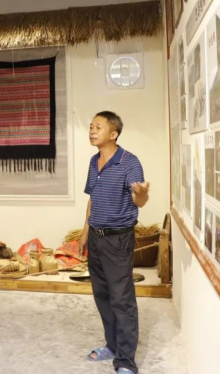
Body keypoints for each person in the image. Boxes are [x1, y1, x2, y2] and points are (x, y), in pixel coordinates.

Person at [79, 111, 150, 374]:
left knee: (122, 299)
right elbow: (93, 199)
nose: (92, 130)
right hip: (96, 238)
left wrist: (141, 194)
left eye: (98, 127)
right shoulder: (93, 161)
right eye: (90, 126)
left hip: (118, 240)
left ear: (113, 133)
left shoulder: (129, 162)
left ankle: (126, 361)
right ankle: (112, 345)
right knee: (102, 296)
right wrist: (84, 233)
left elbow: (138, 199)